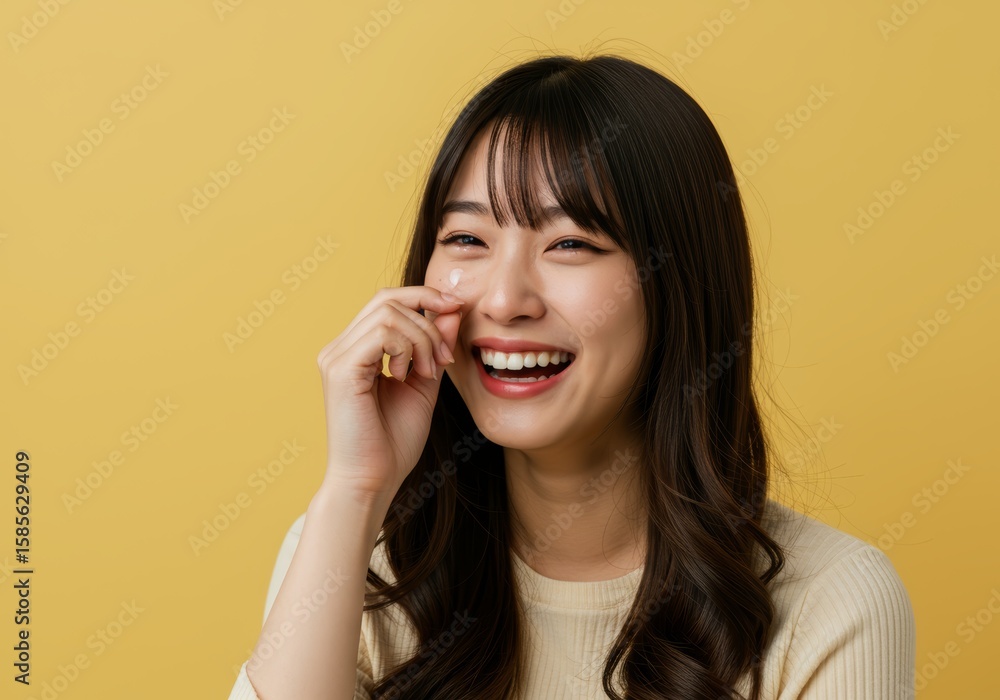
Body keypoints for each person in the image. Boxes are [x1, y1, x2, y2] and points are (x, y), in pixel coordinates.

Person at [227, 53, 915, 699]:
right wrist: (354, 492)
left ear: (675, 284)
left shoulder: (832, 600)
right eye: (467, 238)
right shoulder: (352, 562)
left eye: (570, 244)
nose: (503, 300)